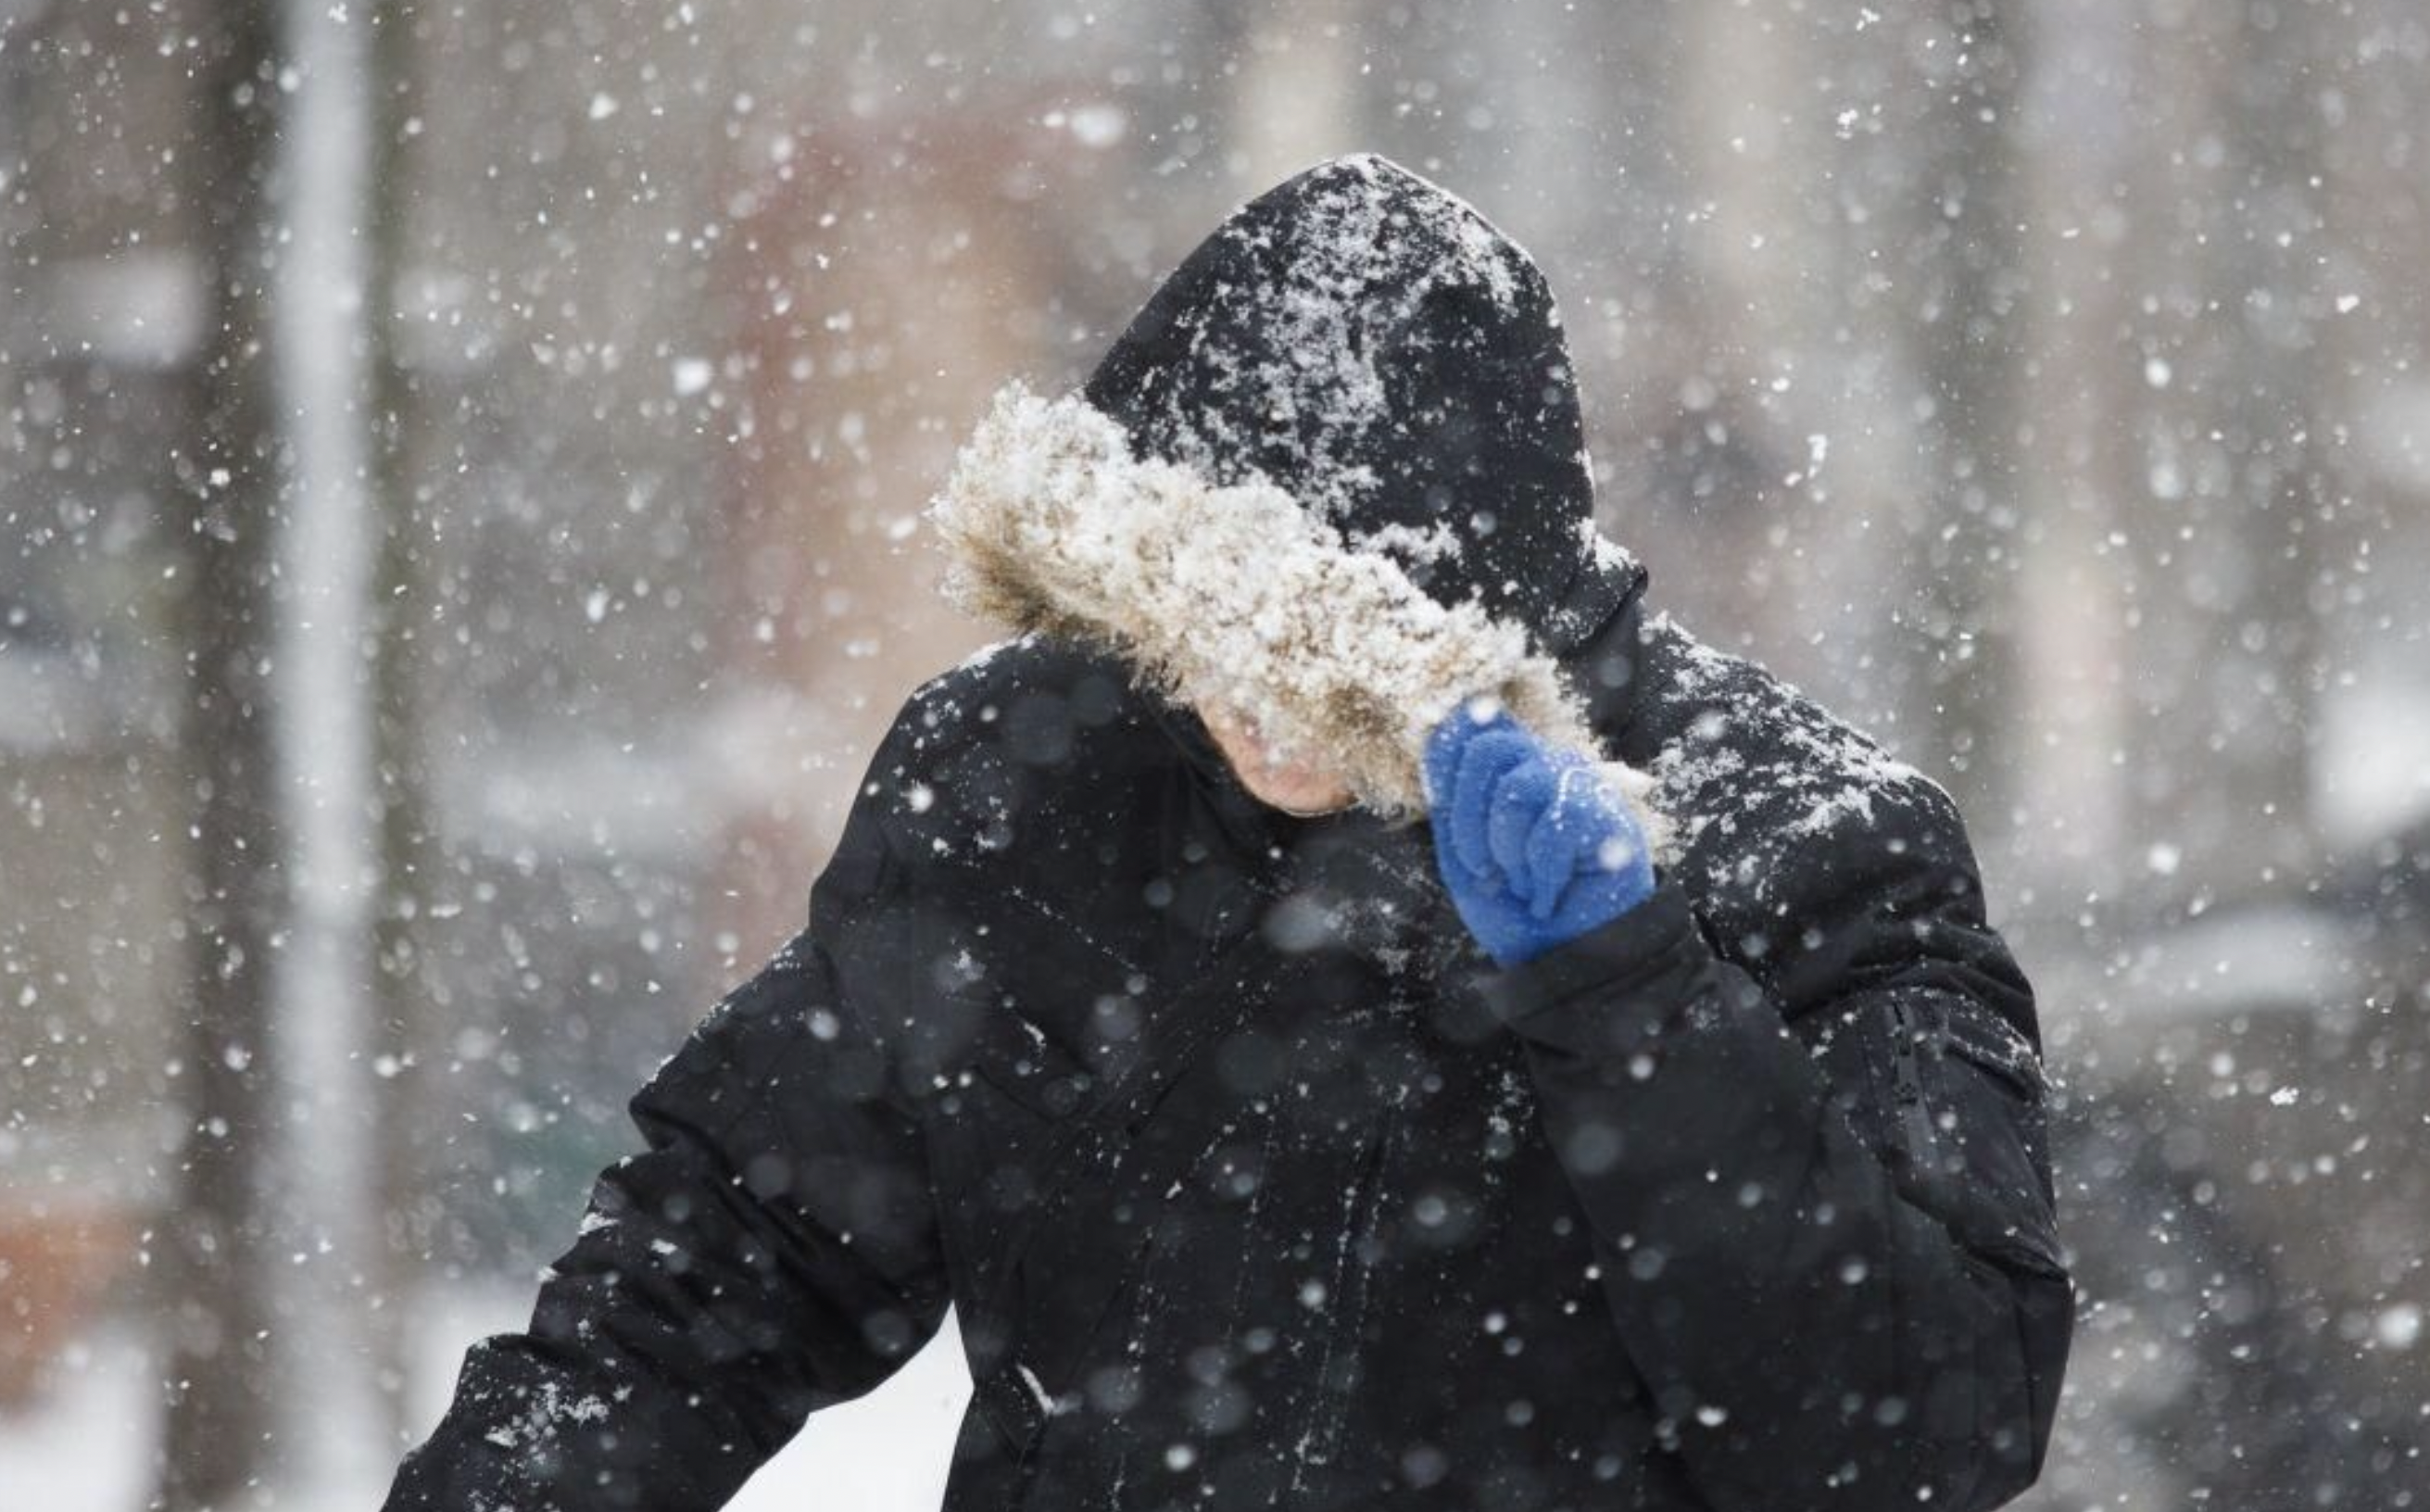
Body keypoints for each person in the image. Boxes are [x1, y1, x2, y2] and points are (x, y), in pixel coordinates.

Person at [384, 154, 2072, 1512]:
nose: (1251, 716)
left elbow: (1920, 1441)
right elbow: (723, 1270)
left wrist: (1628, 997)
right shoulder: (1026, 783)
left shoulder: (1813, 848)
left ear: (1466, 620)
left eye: (1319, 669)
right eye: (1200, 634)